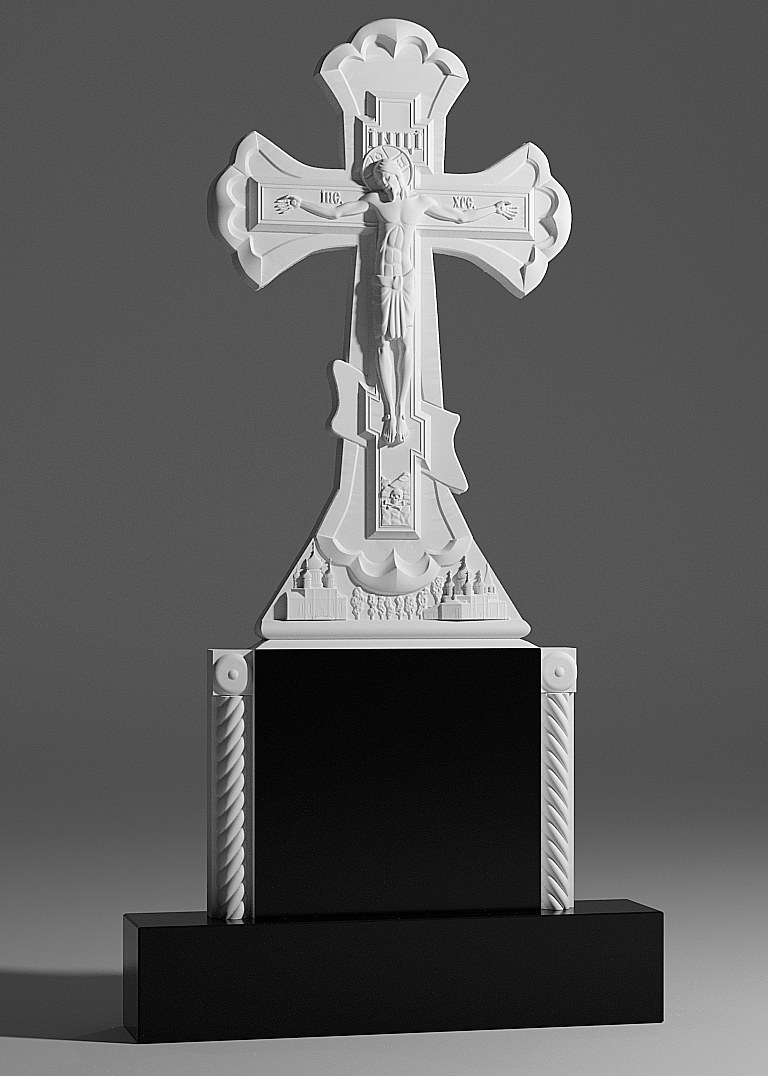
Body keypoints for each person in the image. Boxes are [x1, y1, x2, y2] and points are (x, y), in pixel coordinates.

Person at [275, 158, 517, 446]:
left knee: (406, 344)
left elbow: (460, 217)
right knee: (382, 344)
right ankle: (390, 412)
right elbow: (336, 213)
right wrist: (300, 203)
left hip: (405, 279)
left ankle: (401, 411)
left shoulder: (421, 202)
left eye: (387, 178)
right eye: (380, 180)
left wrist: (495, 208)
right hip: (383, 279)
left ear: (398, 175)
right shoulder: (375, 202)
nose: (384, 184)